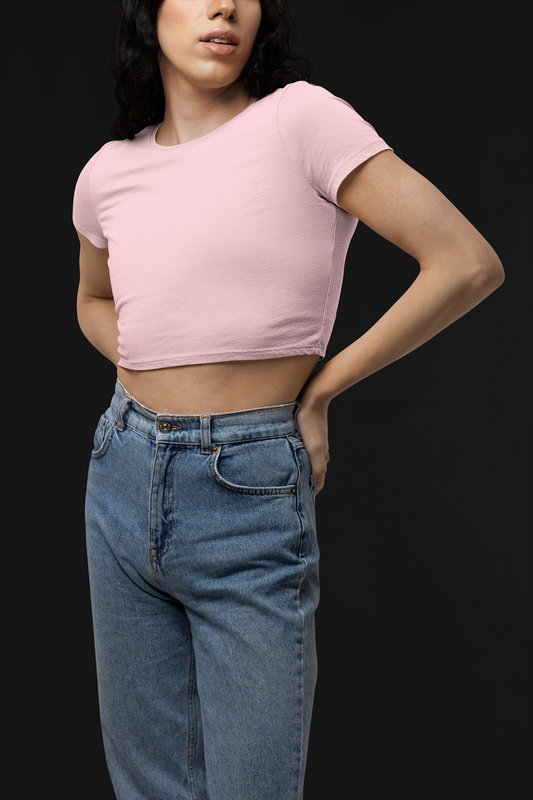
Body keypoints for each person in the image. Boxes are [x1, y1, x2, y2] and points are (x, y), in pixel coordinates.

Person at [72, 1, 505, 798]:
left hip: (247, 483)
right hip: (120, 473)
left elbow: (465, 262)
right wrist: (154, 357)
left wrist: (322, 388)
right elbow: (91, 300)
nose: (225, 5)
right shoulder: (108, 170)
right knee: (148, 788)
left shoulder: (300, 120)